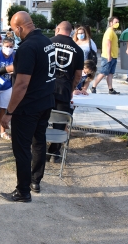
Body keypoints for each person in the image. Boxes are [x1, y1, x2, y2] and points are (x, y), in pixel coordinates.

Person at [0, 11, 56, 202]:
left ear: (19, 27)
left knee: (22, 148)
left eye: (14, 30)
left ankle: (23, 191)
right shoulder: (47, 42)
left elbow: (21, 84)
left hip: (28, 107)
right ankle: (34, 181)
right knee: (38, 142)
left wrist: (9, 112)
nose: (14, 34)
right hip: (45, 102)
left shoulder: (27, 47)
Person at [48, 21, 84, 163]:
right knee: (60, 122)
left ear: (57, 29)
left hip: (46, 88)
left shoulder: (48, 43)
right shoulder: (78, 50)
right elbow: (78, 75)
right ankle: (55, 151)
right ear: (72, 32)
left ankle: (40, 150)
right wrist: (72, 88)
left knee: (41, 120)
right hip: (64, 89)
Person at [91, 16, 120, 94]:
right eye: (115, 22)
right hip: (108, 56)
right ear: (111, 23)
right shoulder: (109, 32)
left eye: (118, 22)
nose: (117, 24)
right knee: (103, 72)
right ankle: (93, 87)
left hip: (113, 56)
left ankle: (110, 89)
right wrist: (109, 55)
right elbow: (108, 44)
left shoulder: (112, 32)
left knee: (110, 73)